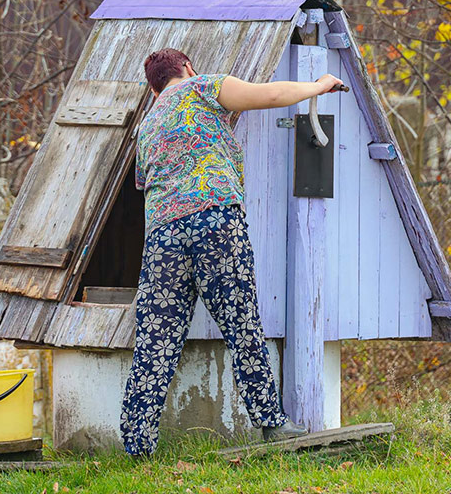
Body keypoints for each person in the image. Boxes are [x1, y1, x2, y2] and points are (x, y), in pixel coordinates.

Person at [120, 47, 345, 456]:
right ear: (187, 68)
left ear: (153, 89)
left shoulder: (147, 125)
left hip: (162, 237)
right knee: (242, 325)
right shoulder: (202, 88)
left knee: (156, 341)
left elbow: (141, 182)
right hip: (213, 220)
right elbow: (272, 96)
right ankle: (272, 426)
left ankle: (136, 446)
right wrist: (319, 85)